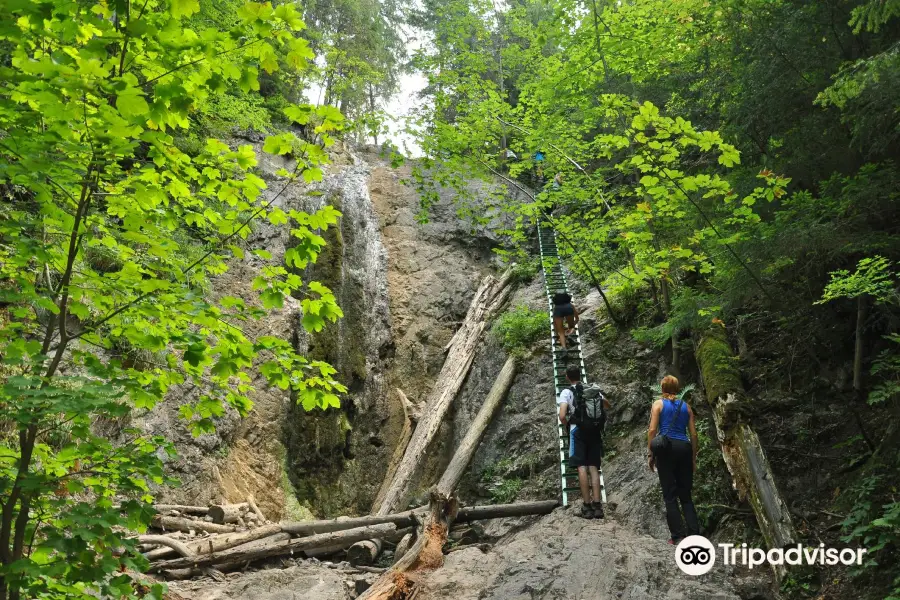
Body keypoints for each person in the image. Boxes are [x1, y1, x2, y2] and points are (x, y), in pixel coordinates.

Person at [647, 375, 700, 544]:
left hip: (666, 449)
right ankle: (694, 534)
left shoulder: (658, 405)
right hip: (684, 448)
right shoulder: (687, 407)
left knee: (670, 495)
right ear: (677, 389)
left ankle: (677, 536)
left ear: (662, 388)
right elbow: (693, 434)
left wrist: (651, 454)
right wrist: (693, 457)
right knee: (686, 495)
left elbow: (652, 431)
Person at [558, 365, 611, 519]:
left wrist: (568, 424)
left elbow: (562, 415)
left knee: (581, 466)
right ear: (580, 375)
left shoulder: (567, 392)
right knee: (593, 466)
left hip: (578, 431)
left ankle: (586, 506)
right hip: (594, 431)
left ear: (567, 377)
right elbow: (607, 405)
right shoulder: (592, 390)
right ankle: (598, 506)